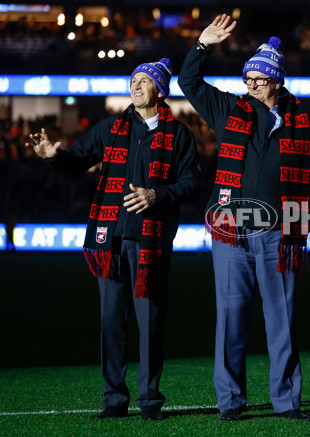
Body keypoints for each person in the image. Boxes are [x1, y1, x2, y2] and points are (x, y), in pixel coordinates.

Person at [25, 58, 201, 421]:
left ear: (160, 89)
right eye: (133, 80)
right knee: (111, 322)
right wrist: (52, 158)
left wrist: (157, 195)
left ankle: (150, 401)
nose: (135, 85)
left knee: (150, 322)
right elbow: (76, 160)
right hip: (110, 241)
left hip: (150, 243)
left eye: (143, 81)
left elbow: (192, 182)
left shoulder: (179, 134)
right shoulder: (111, 128)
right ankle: (114, 400)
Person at [178, 14, 310, 421]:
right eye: (248, 80)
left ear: (277, 80)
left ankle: (287, 403)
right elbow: (188, 83)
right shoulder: (229, 108)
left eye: (259, 80)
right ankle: (230, 402)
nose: (252, 85)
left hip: (282, 235)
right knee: (230, 320)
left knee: (283, 323)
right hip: (230, 233)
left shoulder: (301, 122)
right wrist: (202, 45)